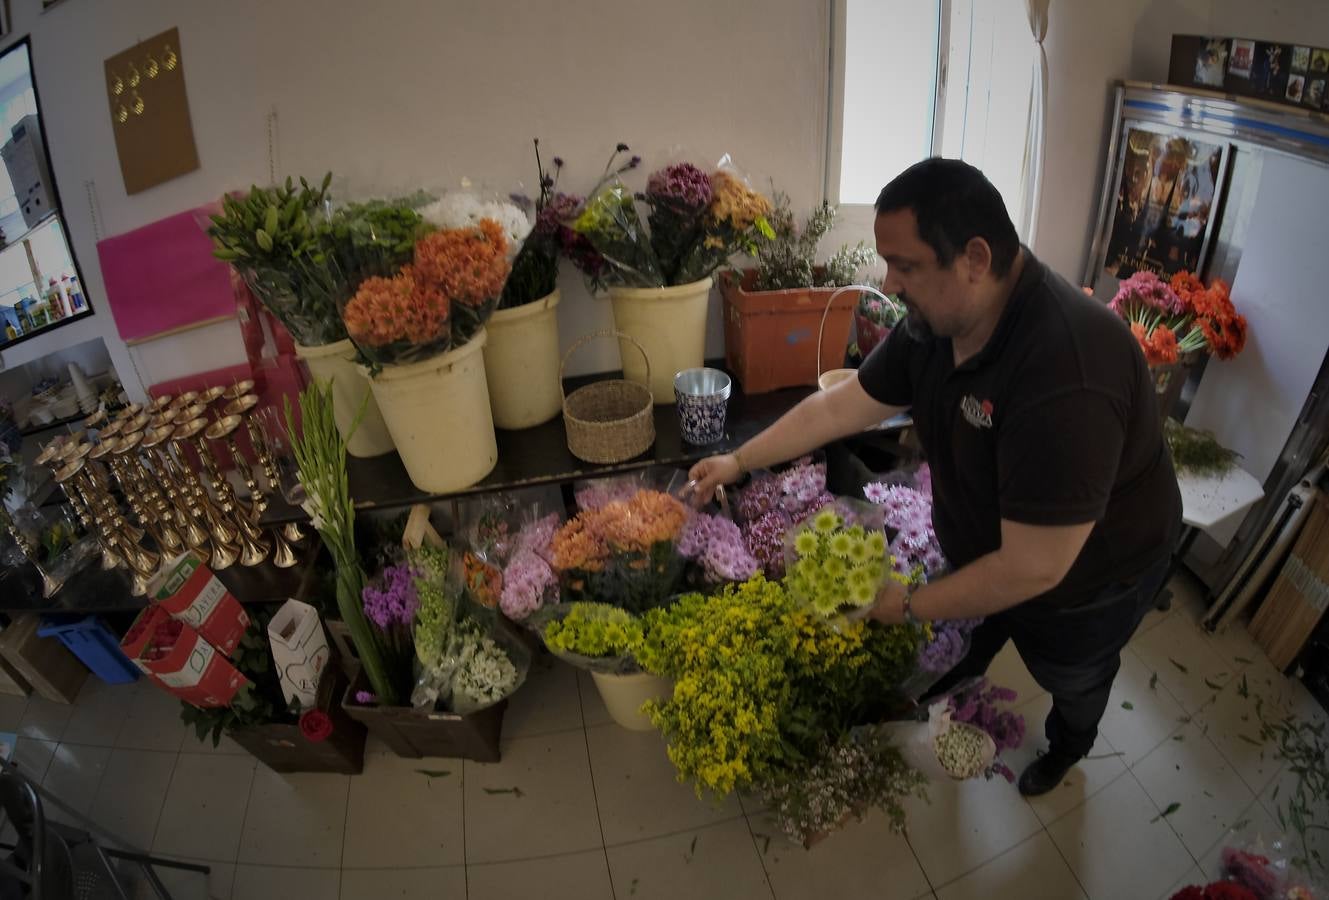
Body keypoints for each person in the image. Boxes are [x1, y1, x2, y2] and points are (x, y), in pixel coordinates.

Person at [688, 158, 1182, 796]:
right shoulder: (936, 324)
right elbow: (841, 405)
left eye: (906, 265)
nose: (889, 283)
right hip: (999, 549)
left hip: (1090, 578)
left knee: (1073, 671)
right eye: (885, 262)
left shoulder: (1069, 369)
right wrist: (739, 459)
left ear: (975, 257)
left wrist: (909, 605)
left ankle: (1070, 743)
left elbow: (1035, 567)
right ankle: (961, 670)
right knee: (976, 625)